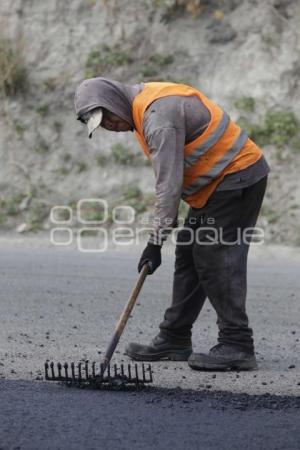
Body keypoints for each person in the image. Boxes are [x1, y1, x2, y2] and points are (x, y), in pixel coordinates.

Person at [74, 77, 270, 371]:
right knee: (189, 252)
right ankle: (174, 337)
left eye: (109, 119)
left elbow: (168, 186)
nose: (111, 126)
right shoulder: (143, 108)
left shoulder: (157, 118)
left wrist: (154, 243)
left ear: (113, 102)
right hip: (217, 182)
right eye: (103, 126)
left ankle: (237, 344)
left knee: (214, 255)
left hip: (236, 176)